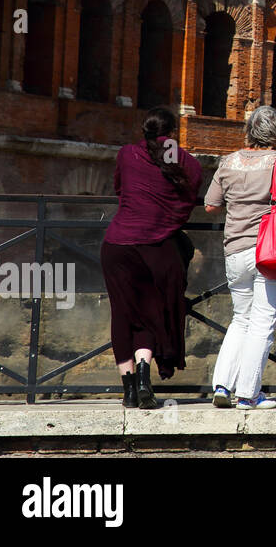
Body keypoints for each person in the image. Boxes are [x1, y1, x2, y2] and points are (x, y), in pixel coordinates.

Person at [203, 105, 276, 411]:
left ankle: (222, 385)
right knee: (262, 323)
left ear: (248, 130)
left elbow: (210, 205)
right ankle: (248, 394)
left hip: (234, 250)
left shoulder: (228, 161)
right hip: (268, 251)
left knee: (241, 318)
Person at [102, 106, 203, 409]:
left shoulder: (126, 154)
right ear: (173, 134)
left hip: (117, 245)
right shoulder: (185, 161)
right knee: (149, 311)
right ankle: (145, 374)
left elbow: (120, 188)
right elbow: (190, 193)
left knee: (123, 314)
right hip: (157, 248)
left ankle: (130, 390)